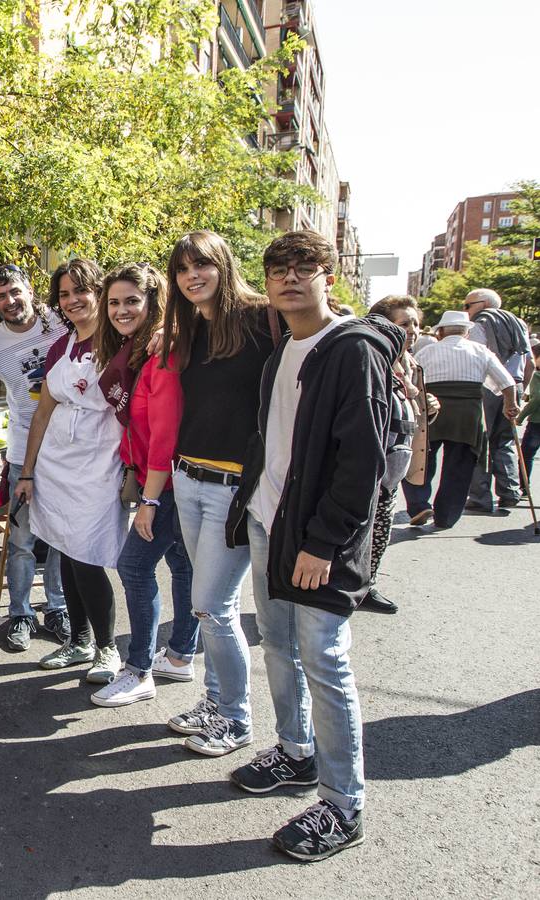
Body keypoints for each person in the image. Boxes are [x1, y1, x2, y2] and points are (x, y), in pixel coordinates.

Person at [225, 230, 401, 862]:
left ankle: (344, 805)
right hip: (271, 525)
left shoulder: (352, 350)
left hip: (318, 539)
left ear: (330, 276)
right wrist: (251, 503)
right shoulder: (284, 350)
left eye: (305, 267)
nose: (289, 279)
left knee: (323, 660)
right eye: (278, 269)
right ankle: (296, 753)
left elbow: (363, 462)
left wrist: (324, 542)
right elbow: (269, 440)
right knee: (277, 646)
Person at [159, 230, 275, 756]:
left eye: (201, 265)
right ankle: (213, 702)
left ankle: (236, 717)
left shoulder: (263, 319)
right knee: (206, 605)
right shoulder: (189, 329)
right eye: (182, 270)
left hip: (235, 488)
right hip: (189, 479)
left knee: (212, 604)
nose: (192, 277)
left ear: (222, 265)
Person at [89, 264, 196, 708]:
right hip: (161, 481)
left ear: (154, 302)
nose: (120, 310)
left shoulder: (163, 356)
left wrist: (150, 499)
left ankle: (138, 671)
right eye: (113, 302)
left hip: (167, 483)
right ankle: (180, 654)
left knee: (133, 567)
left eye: (132, 300)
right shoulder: (139, 352)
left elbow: (165, 437)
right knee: (181, 566)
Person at [15, 259, 126, 684]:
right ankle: (78, 641)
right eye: (64, 294)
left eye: (81, 290)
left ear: (98, 292)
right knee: (64, 550)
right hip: (56, 466)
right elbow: (42, 411)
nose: (73, 300)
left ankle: (107, 647)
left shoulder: (120, 344)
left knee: (87, 556)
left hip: (99, 465)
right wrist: (27, 471)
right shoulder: (60, 347)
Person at [0, 263, 69, 651]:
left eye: (15, 291)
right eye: (0, 297)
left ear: (30, 289)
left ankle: (58, 607)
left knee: (62, 538)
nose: (10, 301)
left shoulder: (60, 321)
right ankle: (20, 614)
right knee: (22, 539)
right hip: (22, 454)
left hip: (68, 449)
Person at [404, 310, 519, 529]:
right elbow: (507, 382)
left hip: (431, 410)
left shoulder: (426, 352)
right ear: (466, 332)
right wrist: (510, 405)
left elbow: (413, 381)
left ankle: (419, 504)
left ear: (441, 332)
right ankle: (445, 516)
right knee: (459, 466)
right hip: (467, 416)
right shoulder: (480, 351)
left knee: (421, 460)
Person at [360, 295, 437, 615]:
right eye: (404, 324)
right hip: (368, 464)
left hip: (396, 462)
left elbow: (411, 417)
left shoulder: (411, 365)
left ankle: (366, 586)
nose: (413, 330)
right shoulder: (371, 358)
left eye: (415, 324)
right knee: (359, 533)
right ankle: (347, 587)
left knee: (380, 532)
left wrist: (429, 409)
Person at [463, 288, 532, 511]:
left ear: (483, 304)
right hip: (516, 384)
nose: (466, 311)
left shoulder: (480, 323)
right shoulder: (518, 323)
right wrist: (520, 389)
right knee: (505, 440)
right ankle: (510, 491)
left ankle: (480, 497)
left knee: (480, 442)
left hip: (487, 387)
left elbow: (476, 357)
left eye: (468, 305)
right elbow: (529, 361)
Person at [519, 340, 540, 476]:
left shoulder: (537, 375)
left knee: (526, 454)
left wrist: (520, 417)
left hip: (537, 422)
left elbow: (537, 398)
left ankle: (524, 489)